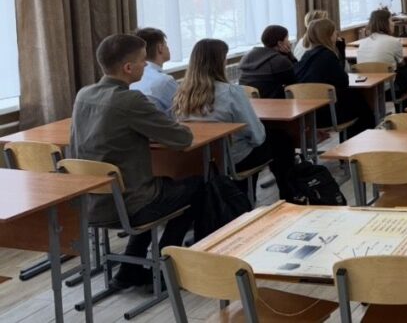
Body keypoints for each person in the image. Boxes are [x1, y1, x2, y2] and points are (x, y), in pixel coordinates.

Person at [70, 34, 202, 289]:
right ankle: (165, 266)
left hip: (90, 203)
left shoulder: (83, 94)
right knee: (199, 186)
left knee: (159, 184)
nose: (146, 65)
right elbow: (182, 139)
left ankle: (130, 268)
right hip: (130, 205)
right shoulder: (130, 100)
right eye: (143, 61)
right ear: (128, 68)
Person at [173, 39, 297, 202]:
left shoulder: (181, 94)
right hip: (234, 159)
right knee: (282, 140)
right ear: (220, 62)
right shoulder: (232, 92)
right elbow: (257, 136)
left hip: (200, 160)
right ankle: (289, 196)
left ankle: (247, 197)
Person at [295, 17, 375, 135]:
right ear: (328, 35)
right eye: (334, 31)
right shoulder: (328, 55)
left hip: (309, 114)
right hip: (329, 114)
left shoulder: (306, 55)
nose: (336, 33)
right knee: (364, 108)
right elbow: (344, 81)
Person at [357, 9, 407, 99]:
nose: (393, 23)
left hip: (367, 89)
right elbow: (401, 64)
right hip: (388, 90)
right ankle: (400, 95)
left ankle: (401, 97)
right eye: (391, 20)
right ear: (385, 23)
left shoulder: (362, 42)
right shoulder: (394, 41)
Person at [238, 25, 298, 99]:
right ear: (280, 43)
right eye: (287, 39)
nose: (289, 42)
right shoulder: (280, 61)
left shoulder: (247, 56)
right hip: (272, 104)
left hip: (248, 102)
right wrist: (289, 54)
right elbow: (296, 81)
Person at [130, 27, 178, 113]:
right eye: (166, 44)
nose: (168, 48)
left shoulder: (131, 79)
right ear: (160, 48)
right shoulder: (165, 81)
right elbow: (185, 111)